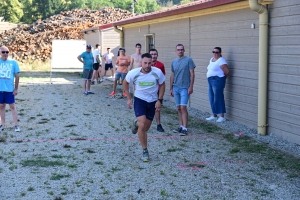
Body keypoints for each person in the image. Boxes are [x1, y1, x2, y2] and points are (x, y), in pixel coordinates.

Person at [123, 53, 165, 162]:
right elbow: (125, 83)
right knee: (142, 126)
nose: (147, 65)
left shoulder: (157, 72)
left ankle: (136, 123)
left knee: (145, 128)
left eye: (149, 63)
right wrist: (129, 98)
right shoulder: (134, 73)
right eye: (145, 63)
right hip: (140, 100)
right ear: (141, 63)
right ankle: (145, 150)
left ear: (152, 62)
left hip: (152, 101)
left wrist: (159, 100)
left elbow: (162, 84)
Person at [170, 44, 196, 136]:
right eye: (178, 49)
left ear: (184, 50)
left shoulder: (189, 60)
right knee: (178, 108)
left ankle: (185, 127)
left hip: (185, 87)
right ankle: (180, 126)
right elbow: (172, 74)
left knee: (183, 107)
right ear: (176, 51)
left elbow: (192, 74)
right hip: (176, 87)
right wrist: (170, 88)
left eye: (181, 49)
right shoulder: (174, 62)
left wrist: (191, 86)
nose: (180, 51)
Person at [205, 47, 229, 122]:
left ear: (220, 53)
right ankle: (214, 115)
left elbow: (227, 71)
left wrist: (222, 79)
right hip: (210, 80)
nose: (215, 53)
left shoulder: (221, 60)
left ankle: (221, 116)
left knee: (218, 97)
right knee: (211, 97)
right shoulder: (211, 59)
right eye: (214, 52)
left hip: (218, 80)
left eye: (217, 52)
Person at [0, 46, 21, 132]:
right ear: (0, 53)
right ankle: (2, 124)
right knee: (1, 106)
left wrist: (16, 89)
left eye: (7, 52)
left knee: (12, 106)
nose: (5, 54)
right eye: (3, 52)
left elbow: (17, 76)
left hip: (9, 89)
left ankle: (16, 125)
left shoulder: (13, 62)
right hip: (0, 89)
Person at [149, 48, 166, 132]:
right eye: (151, 54)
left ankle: (158, 124)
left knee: (157, 108)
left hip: (157, 89)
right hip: (148, 89)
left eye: (155, 54)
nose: (153, 56)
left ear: (157, 55)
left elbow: (162, 79)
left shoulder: (161, 65)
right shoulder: (146, 64)